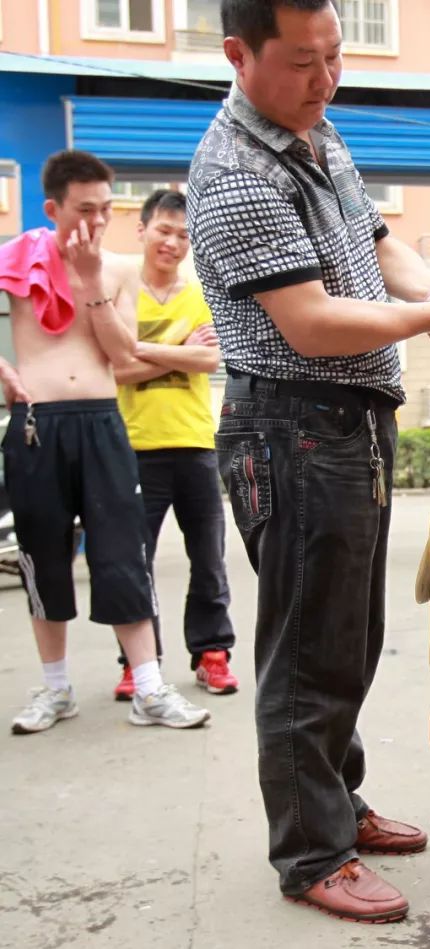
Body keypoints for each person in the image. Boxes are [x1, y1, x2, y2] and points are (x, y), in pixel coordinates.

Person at [188, 0, 430, 924]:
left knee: (351, 640)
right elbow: (313, 321)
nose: (326, 80)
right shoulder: (236, 168)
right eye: (302, 63)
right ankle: (310, 852)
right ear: (240, 55)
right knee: (307, 654)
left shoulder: (315, 134)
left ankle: (337, 802)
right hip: (291, 428)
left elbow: (377, 243)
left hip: (346, 427)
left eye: (335, 58)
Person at [0, 150, 211, 734]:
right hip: (38, 423)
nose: (95, 222)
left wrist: (91, 281)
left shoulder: (117, 270)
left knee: (123, 552)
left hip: (101, 420)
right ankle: (56, 688)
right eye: (83, 210)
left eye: (104, 210)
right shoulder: (16, 260)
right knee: (43, 558)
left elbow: (121, 354)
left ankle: (147, 687)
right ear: (52, 208)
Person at [112, 189, 237, 700]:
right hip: (132, 446)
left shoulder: (199, 294)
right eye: (164, 230)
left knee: (208, 557)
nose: (173, 242)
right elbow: (115, 365)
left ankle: (212, 653)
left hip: (193, 442)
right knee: (132, 560)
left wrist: (141, 348)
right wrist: (178, 350)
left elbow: (209, 362)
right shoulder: (121, 293)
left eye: (183, 234)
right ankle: (139, 663)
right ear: (141, 231)